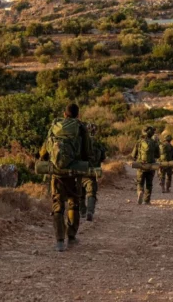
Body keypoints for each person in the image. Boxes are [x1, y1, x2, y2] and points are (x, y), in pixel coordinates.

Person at [39, 103, 91, 252]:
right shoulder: (81, 128)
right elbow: (87, 151)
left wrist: (43, 159)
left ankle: (59, 241)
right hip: (74, 172)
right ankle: (72, 237)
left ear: (64, 114)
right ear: (78, 114)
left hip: (56, 171)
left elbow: (45, 149)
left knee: (57, 205)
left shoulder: (55, 125)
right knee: (74, 202)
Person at [79, 123, 106, 222]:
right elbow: (103, 158)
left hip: (80, 172)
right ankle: (90, 211)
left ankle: (82, 212)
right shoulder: (98, 144)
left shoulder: (80, 143)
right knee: (91, 193)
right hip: (91, 173)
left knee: (80, 194)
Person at [131, 126, 160, 205]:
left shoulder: (139, 142)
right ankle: (147, 201)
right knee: (149, 183)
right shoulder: (155, 143)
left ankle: (140, 191)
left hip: (141, 165)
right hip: (151, 166)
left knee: (140, 182)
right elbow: (158, 155)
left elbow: (133, 155)